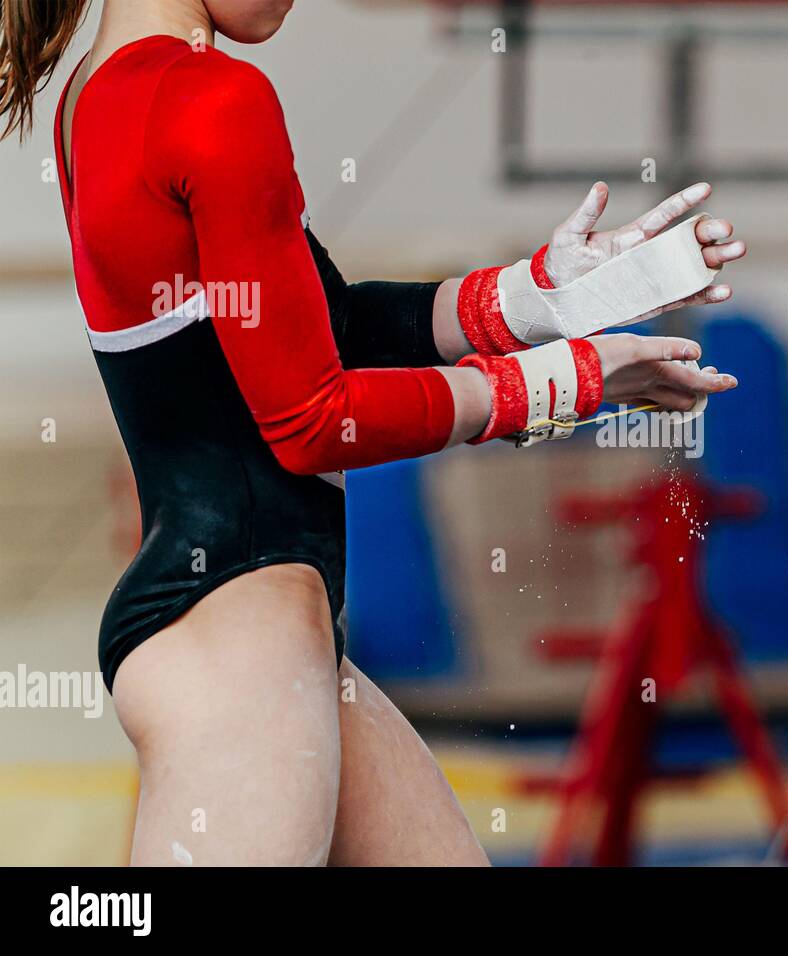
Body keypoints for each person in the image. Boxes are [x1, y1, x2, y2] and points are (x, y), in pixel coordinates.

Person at [0, 0, 745, 865]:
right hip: (242, 657)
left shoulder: (100, 94)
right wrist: (575, 380)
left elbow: (315, 327)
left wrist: (539, 299)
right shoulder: (210, 100)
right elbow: (312, 420)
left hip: (253, 639)